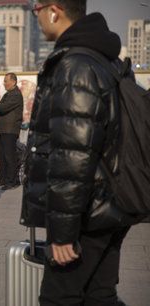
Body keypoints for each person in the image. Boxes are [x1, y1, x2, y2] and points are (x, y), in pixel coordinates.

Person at [22, 1, 140, 305]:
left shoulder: (76, 66)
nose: (35, 14)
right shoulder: (106, 59)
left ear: (54, 10)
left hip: (88, 212)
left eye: (37, 7)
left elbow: (73, 155)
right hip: (112, 204)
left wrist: (62, 232)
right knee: (99, 296)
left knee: (58, 298)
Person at [0, 73, 23, 190]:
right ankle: (3, 179)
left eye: (6, 81)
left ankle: (12, 181)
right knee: (1, 155)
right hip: (4, 129)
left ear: (13, 82)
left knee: (9, 156)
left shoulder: (15, 94)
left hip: (10, 129)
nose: (4, 83)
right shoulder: (8, 94)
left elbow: (1, 108)